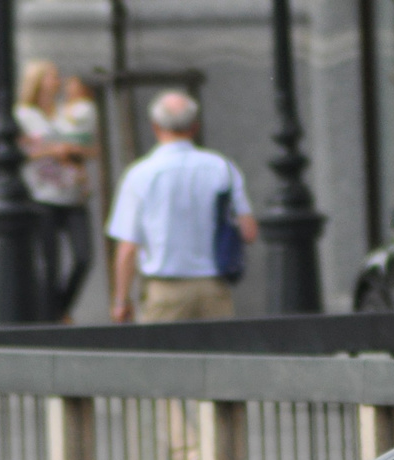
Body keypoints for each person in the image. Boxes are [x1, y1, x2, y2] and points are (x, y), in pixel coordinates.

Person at [106, 90, 257, 324]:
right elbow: (249, 231)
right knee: (221, 357)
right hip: (214, 289)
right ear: (195, 127)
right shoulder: (221, 167)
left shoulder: (140, 174)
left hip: (165, 291)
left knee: (163, 359)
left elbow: (127, 248)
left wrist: (121, 300)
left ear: (155, 127)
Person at [16, 60, 95, 322]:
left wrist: (74, 151)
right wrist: (53, 150)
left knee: (84, 257)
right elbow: (18, 153)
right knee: (49, 263)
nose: (58, 81)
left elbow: (90, 147)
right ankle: (52, 316)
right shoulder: (23, 115)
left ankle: (59, 308)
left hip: (72, 194)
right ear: (37, 81)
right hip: (43, 195)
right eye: (52, 76)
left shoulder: (67, 113)